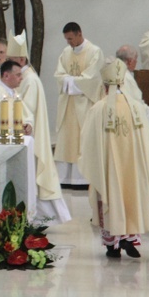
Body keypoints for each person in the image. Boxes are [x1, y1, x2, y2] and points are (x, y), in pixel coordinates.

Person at [77, 58, 149, 258]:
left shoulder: (98, 109)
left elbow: (87, 141)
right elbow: (146, 140)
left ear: (104, 86)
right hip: (132, 166)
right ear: (122, 82)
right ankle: (128, 238)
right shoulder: (137, 108)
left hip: (108, 168)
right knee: (130, 196)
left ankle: (111, 246)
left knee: (110, 195)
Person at [5, 31, 71, 225]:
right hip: (25, 134)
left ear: (21, 58)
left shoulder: (30, 79)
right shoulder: (22, 77)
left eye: (11, 58)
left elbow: (27, 110)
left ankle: (42, 217)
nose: (8, 61)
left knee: (35, 177)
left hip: (29, 134)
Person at [116, 44, 149, 218]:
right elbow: (132, 105)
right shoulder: (125, 77)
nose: (136, 63)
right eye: (136, 60)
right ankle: (145, 207)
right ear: (130, 61)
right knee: (140, 168)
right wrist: (145, 110)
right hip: (130, 134)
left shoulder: (116, 73)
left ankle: (146, 205)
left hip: (123, 132)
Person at [53, 22, 104, 186]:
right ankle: (64, 178)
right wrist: (67, 80)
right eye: (66, 39)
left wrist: (70, 80)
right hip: (68, 105)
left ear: (79, 34)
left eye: (70, 38)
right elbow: (59, 74)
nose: (68, 42)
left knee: (82, 139)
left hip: (84, 105)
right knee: (66, 139)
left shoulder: (94, 52)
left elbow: (93, 78)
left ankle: (82, 179)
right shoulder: (66, 52)